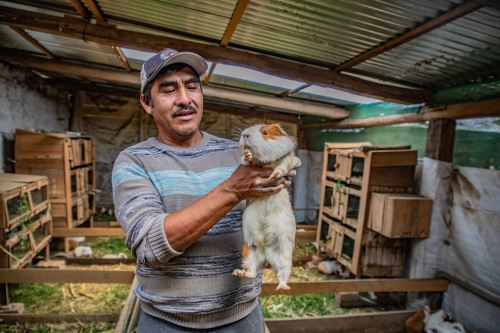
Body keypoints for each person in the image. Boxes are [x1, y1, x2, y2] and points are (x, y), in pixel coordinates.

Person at [112, 48, 295, 332]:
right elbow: (149, 245)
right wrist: (233, 190)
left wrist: (276, 182)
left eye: (192, 86)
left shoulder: (237, 152)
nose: (184, 99)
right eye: (168, 90)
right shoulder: (134, 161)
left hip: (242, 319)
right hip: (166, 322)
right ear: (146, 103)